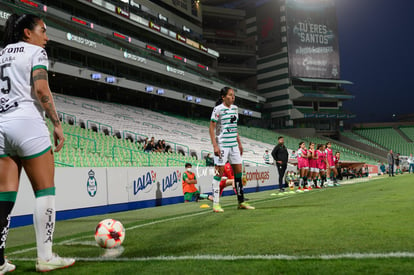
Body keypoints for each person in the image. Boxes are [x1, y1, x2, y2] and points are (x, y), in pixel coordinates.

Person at [0, 13, 75, 273]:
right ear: (27, 33)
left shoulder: (1, 54)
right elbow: (42, 90)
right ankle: (45, 257)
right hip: (27, 121)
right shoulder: (34, 52)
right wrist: (56, 123)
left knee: (4, 195)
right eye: (42, 30)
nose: (47, 37)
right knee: (45, 190)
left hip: (2, 123)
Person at [209, 87, 254, 212]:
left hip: (234, 145)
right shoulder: (217, 110)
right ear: (223, 97)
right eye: (230, 95)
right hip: (222, 145)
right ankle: (216, 204)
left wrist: (239, 144)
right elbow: (211, 128)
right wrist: (215, 145)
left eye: (233, 95)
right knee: (218, 174)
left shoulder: (235, 109)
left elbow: (234, 128)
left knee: (238, 174)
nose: (233, 97)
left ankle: (241, 202)